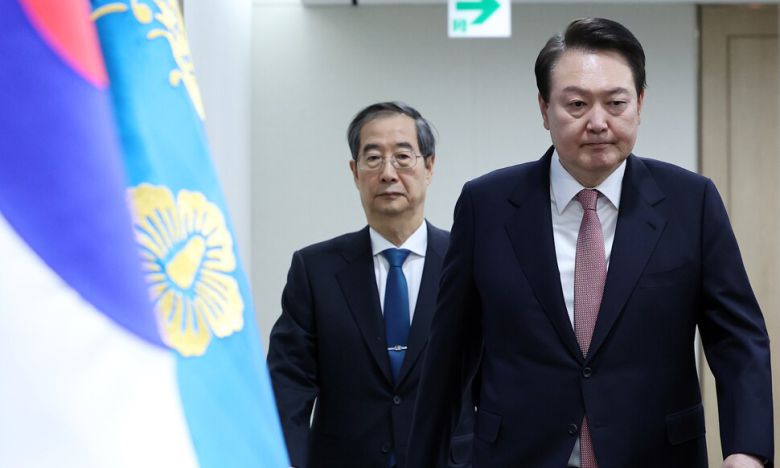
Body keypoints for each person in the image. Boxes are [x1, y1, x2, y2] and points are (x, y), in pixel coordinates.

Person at [407, 18, 773, 468]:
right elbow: (449, 352)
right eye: (577, 104)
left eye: (616, 103)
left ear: (640, 103)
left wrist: (747, 451)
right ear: (544, 109)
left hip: (656, 455)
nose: (598, 122)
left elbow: (737, 338)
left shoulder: (690, 202)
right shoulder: (487, 206)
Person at [268, 102, 475, 468]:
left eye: (403, 157)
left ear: (429, 166)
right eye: (374, 158)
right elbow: (288, 388)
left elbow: (500, 379)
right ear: (355, 171)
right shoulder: (314, 270)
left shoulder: (469, 262)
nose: (388, 173)